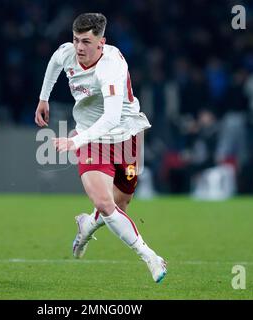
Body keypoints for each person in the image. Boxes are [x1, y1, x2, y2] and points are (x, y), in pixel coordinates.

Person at [35, 13, 167, 283]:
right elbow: (54, 63)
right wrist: (43, 98)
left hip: (125, 134)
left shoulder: (111, 66)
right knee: (106, 204)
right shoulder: (67, 53)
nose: (79, 47)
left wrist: (73, 141)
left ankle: (87, 224)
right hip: (91, 138)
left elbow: (110, 118)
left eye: (86, 41)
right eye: (75, 40)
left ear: (101, 43)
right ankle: (150, 257)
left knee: (121, 204)